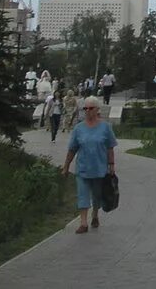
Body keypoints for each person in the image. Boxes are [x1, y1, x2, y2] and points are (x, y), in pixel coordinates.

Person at [61, 96, 117, 234]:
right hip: (83, 167)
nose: (87, 111)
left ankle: (95, 215)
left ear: (97, 109)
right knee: (82, 194)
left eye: (91, 108)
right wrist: (66, 166)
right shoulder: (79, 128)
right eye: (85, 108)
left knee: (97, 195)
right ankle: (83, 223)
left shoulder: (105, 127)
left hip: (99, 168)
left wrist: (111, 164)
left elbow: (110, 147)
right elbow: (72, 149)